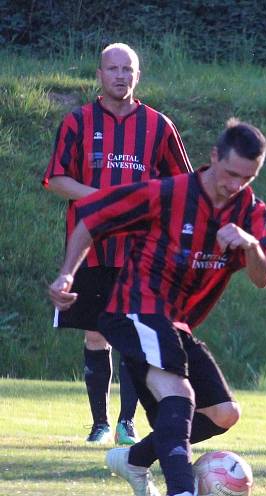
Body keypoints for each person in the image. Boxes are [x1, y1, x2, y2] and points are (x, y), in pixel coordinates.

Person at [49, 119, 266, 496]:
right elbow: (90, 218)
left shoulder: (249, 210)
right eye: (230, 174)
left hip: (175, 322)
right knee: (180, 393)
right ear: (212, 157)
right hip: (133, 308)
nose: (235, 185)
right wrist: (67, 273)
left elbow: (263, 279)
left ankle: (136, 459)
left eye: (247, 178)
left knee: (224, 414)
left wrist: (249, 246)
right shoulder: (169, 193)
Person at [43, 42, 192, 445]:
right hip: (91, 247)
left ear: (137, 76)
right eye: (113, 69)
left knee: (132, 337)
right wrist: (104, 200)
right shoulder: (78, 121)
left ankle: (128, 424)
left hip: (140, 251)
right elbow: (56, 179)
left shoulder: (159, 126)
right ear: (99, 74)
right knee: (95, 334)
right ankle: (99, 424)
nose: (121, 76)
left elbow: (183, 185)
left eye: (128, 69)